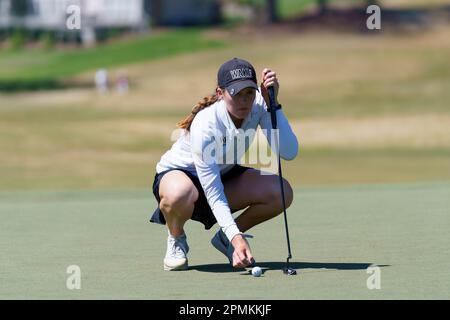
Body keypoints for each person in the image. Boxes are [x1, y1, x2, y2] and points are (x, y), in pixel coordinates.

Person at [150, 57, 299, 271]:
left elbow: (289, 151)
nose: (244, 101)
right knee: (180, 193)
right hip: (179, 176)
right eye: (236, 94)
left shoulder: (259, 105)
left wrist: (272, 106)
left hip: (223, 174)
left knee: (281, 191)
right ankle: (176, 238)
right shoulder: (206, 124)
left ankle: (224, 239)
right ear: (220, 94)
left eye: (249, 93)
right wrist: (238, 239)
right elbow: (213, 191)